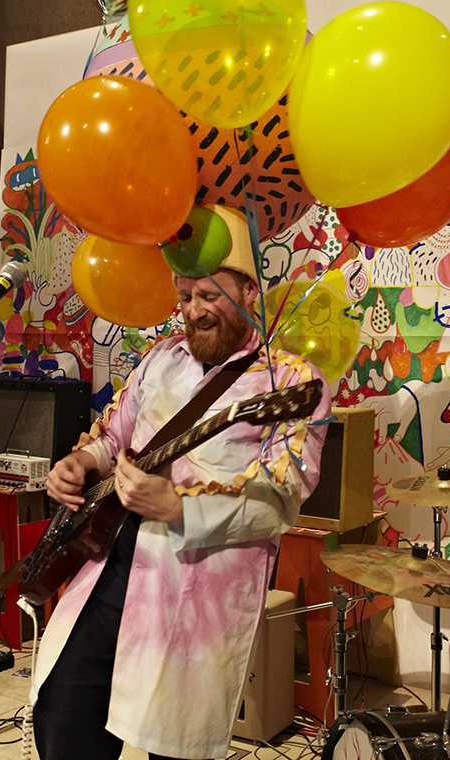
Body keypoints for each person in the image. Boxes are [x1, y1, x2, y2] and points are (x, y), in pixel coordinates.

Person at [33, 204, 331, 760]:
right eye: (185, 296)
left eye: (209, 296)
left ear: (248, 291)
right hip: (103, 575)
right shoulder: (159, 360)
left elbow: (280, 500)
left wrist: (178, 508)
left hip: (192, 601)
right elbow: (113, 438)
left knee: (175, 747)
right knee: (62, 725)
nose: (193, 312)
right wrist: (82, 464)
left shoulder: (292, 381)